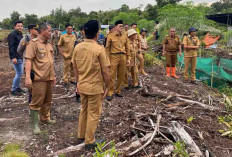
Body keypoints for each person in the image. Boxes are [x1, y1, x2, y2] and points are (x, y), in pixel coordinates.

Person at [72, 20, 110, 149]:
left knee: (84, 110)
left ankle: (81, 135)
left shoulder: (78, 47)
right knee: (93, 113)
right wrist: (107, 86)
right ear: (97, 33)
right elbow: (105, 71)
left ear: (84, 32)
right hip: (95, 87)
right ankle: (89, 140)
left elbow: (74, 66)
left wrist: (78, 82)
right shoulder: (99, 49)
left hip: (82, 85)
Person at [25, 23, 56, 135]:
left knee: (47, 100)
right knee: (36, 102)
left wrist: (54, 76)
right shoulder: (33, 44)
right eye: (49, 30)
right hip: (39, 79)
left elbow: (51, 62)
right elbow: (28, 60)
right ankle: (34, 125)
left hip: (49, 77)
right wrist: (28, 77)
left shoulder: (49, 44)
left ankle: (45, 118)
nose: (51, 32)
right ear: (43, 30)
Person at [105, 20, 131, 101]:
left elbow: (127, 48)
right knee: (112, 75)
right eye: (120, 26)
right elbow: (107, 49)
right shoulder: (110, 36)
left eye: (122, 26)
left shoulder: (125, 36)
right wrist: (107, 59)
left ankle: (118, 91)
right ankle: (110, 92)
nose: (121, 27)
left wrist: (128, 58)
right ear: (115, 27)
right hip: (114, 56)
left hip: (123, 56)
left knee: (121, 75)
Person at [17, 24, 39, 105]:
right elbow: (19, 50)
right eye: (35, 29)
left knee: (38, 84)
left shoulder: (39, 39)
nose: (37, 31)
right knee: (31, 85)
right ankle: (31, 103)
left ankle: (37, 101)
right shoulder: (25, 39)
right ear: (31, 30)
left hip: (38, 65)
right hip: (29, 66)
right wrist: (25, 58)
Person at [7, 20, 24, 96]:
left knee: (20, 73)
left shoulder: (20, 35)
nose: (20, 27)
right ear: (14, 26)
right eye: (18, 26)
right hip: (16, 57)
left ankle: (18, 88)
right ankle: (13, 89)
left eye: (21, 26)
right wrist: (13, 57)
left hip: (20, 56)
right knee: (19, 73)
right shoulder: (12, 35)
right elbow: (11, 47)